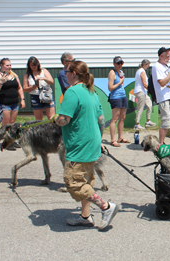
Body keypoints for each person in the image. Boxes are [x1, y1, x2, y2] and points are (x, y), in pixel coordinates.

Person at [54, 60, 120, 230]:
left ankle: (106, 207)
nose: (65, 74)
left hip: (79, 145)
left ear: (74, 73)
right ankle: (85, 216)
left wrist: (55, 118)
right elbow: (101, 120)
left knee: (74, 183)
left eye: (66, 71)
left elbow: (64, 120)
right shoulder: (92, 92)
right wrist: (99, 141)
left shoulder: (72, 92)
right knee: (86, 181)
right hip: (92, 144)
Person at [0, 58, 25, 150]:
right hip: (4, 103)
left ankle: (12, 141)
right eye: (7, 65)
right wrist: (1, 83)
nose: (9, 67)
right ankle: (5, 143)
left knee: (12, 124)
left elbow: (19, 88)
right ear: (2, 66)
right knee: (6, 125)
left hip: (14, 103)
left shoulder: (14, 75)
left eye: (10, 65)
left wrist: (22, 99)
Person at [108, 56, 129, 147]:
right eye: (118, 63)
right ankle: (113, 140)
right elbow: (110, 88)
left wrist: (121, 83)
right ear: (114, 64)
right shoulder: (112, 73)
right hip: (115, 97)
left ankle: (120, 137)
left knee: (122, 117)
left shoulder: (120, 72)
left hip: (123, 96)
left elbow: (122, 85)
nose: (120, 65)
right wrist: (120, 82)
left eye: (121, 63)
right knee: (115, 119)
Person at [133, 59, 156, 130]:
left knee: (149, 104)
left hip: (143, 92)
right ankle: (137, 125)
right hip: (140, 92)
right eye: (148, 65)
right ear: (145, 65)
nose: (148, 67)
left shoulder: (139, 71)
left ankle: (148, 121)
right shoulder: (142, 71)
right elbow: (144, 84)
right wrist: (151, 90)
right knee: (140, 107)